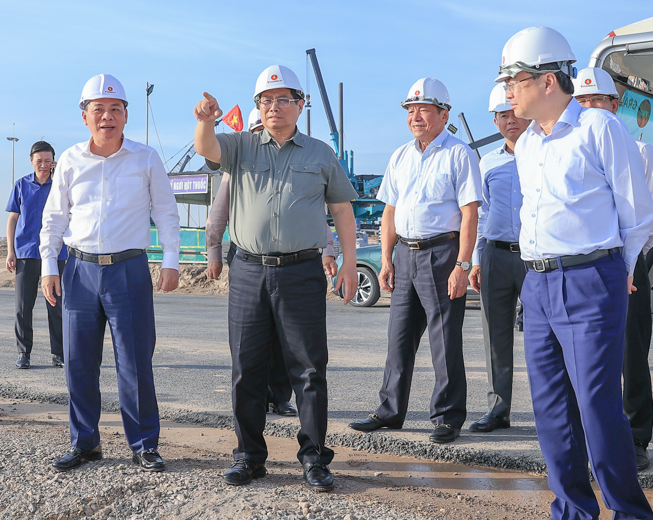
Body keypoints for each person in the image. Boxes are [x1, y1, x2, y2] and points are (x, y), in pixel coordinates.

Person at [498, 26, 653, 519]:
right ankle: (572, 509)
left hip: (592, 279)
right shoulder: (528, 146)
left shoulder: (599, 129)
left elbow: (637, 212)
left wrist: (619, 271)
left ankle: (629, 512)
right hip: (538, 282)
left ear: (547, 81)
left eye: (514, 80)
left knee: (596, 405)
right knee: (551, 410)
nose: (507, 92)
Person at [194, 65, 359, 492]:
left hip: (301, 272)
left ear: (301, 105)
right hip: (248, 269)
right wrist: (205, 121)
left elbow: (342, 210)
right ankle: (249, 457)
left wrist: (346, 262)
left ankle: (314, 459)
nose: (274, 107)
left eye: (283, 99)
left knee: (308, 369)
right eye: (266, 100)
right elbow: (206, 148)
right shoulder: (241, 146)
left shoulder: (321, 154)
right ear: (258, 107)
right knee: (246, 368)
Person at [40, 74, 180, 473]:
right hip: (79, 270)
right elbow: (54, 217)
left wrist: (171, 259)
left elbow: (166, 211)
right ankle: (85, 442)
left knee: (135, 363)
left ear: (126, 115)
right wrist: (49, 265)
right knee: (78, 362)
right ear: (85, 116)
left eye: (115, 109)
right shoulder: (69, 159)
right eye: (98, 109)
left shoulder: (146, 158)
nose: (107, 117)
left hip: (128, 271)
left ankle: (144, 444)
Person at [349, 77, 480, 445]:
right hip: (405, 254)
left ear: (443, 113)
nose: (416, 116)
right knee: (399, 338)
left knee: (444, 340)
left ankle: (447, 417)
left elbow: (470, 213)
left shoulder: (459, 154)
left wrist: (462, 265)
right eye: (411, 110)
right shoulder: (401, 156)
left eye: (423, 109)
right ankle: (389, 411)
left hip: (443, 254)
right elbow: (390, 210)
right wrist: (387, 258)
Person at [205, 108, 340, 418]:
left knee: (286, 341)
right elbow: (217, 216)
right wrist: (213, 254)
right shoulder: (236, 166)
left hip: (294, 262)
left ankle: (278, 395)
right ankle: (255, 414)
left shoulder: (303, 162)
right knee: (252, 342)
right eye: (254, 132)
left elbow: (319, 214)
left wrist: (329, 249)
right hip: (249, 257)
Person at [573, 66, 653, 471]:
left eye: (595, 101)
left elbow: (642, 214)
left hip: (631, 257)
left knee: (631, 350)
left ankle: (637, 438)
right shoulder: (569, 146)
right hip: (590, 261)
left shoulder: (640, 149)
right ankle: (596, 438)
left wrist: (631, 265)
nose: (587, 109)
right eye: (581, 101)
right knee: (592, 354)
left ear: (614, 105)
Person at [466, 84, 531, 433]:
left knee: (544, 336)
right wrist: (477, 259)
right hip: (495, 254)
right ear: (495, 121)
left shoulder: (544, 152)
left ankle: (554, 410)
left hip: (536, 258)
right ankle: (498, 409)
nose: (511, 120)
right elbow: (481, 213)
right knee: (496, 335)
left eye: (515, 113)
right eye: (503, 116)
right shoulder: (487, 162)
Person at [5, 140, 68, 370]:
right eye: (39, 160)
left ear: (54, 161)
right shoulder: (21, 185)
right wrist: (10, 251)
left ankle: (59, 353)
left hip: (56, 254)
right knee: (23, 306)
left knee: (57, 306)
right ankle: (24, 353)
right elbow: (13, 219)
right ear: (31, 161)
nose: (43, 165)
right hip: (26, 254)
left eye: (48, 160)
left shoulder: (61, 185)